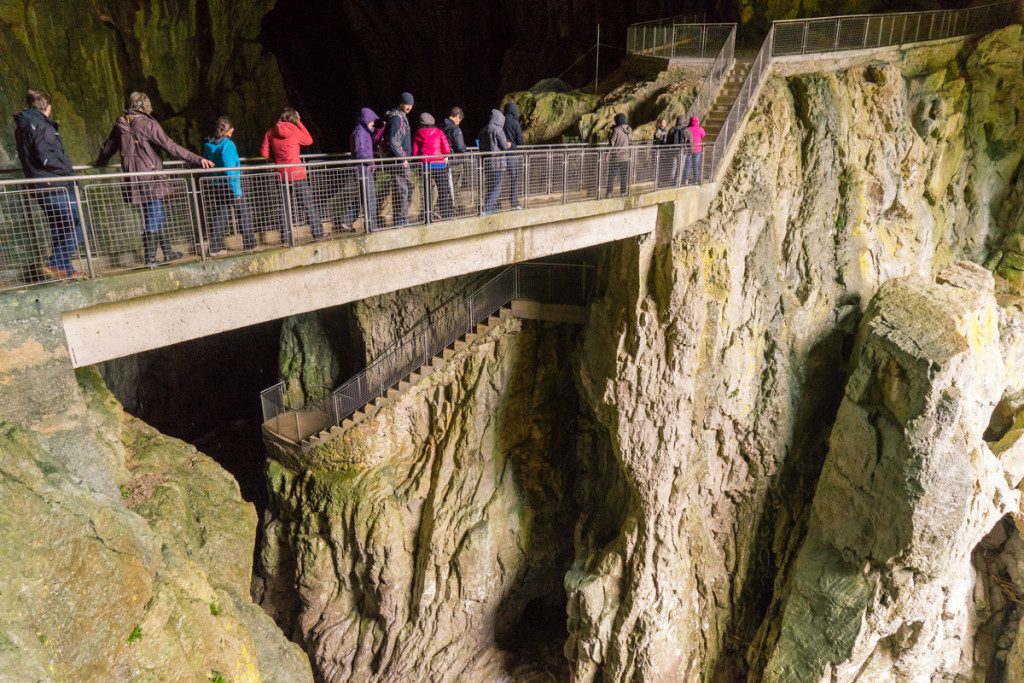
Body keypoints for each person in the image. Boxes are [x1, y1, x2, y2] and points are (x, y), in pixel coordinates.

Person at [96, 91, 214, 267]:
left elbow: (108, 149)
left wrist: (99, 163)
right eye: (149, 104)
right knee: (154, 214)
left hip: (133, 178)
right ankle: (150, 258)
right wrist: (198, 159)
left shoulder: (121, 124)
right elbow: (171, 146)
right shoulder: (148, 124)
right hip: (150, 176)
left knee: (156, 213)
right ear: (143, 106)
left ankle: (167, 252)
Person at [13, 89, 83, 279]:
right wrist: (68, 172)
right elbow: (46, 157)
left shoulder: (25, 124)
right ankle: (56, 264)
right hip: (55, 184)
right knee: (78, 224)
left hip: (42, 184)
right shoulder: (40, 125)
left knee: (60, 227)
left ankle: (64, 268)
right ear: (48, 107)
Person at [261, 107, 322, 245]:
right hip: (297, 173)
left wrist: (277, 160)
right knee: (307, 205)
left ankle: (286, 238)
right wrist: (299, 123)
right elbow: (309, 140)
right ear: (294, 119)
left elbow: (264, 153)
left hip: (281, 174)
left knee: (283, 207)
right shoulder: (295, 130)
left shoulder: (270, 132)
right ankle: (318, 233)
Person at [203, 116, 256, 254]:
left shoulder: (209, 144)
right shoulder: (228, 144)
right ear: (230, 130)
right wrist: (237, 192)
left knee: (222, 214)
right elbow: (231, 169)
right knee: (244, 212)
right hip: (229, 185)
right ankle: (250, 244)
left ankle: (214, 248)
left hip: (217, 184)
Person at [413, 112, 454, 221]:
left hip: (425, 166)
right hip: (439, 165)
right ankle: (445, 214)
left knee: (427, 191)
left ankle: (428, 215)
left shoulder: (418, 133)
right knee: (443, 190)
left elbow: (415, 152)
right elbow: (446, 150)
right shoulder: (439, 132)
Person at [346, 107, 379, 232]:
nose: (373, 124)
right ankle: (372, 226)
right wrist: (371, 162)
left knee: (362, 197)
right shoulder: (359, 132)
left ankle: (346, 220)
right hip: (362, 170)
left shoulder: (364, 131)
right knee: (370, 198)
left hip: (364, 169)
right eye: (372, 121)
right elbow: (360, 152)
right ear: (367, 120)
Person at [383, 92, 414, 226]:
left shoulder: (401, 117)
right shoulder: (397, 119)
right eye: (406, 104)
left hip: (401, 161)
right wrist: (403, 159)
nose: (409, 107)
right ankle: (402, 220)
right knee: (403, 190)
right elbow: (394, 140)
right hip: (399, 162)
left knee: (405, 189)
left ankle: (401, 219)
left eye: (411, 104)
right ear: (401, 103)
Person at [479, 109, 511, 215]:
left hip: (487, 163)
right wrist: (509, 144)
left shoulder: (483, 129)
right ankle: (487, 208)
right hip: (498, 163)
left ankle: (491, 207)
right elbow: (504, 146)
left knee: (490, 186)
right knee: (497, 187)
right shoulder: (497, 129)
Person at [502, 101, 525, 210]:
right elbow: (520, 141)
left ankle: (493, 202)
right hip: (511, 154)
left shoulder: (500, 120)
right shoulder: (515, 123)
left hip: (499, 154)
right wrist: (513, 143)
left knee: (498, 178)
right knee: (514, 177)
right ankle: (514, 202)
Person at [606, 113, 632, 198]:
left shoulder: (616, 130)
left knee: (612, 175)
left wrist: (607, 154)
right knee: (623, 176)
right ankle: (623, 193)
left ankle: (609, 192)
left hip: (616, 157)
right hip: (626, 157)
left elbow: (612, 143)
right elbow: (630, 142)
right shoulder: (629, 129)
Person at [666, 114, 692, 186]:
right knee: (680, 167)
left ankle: (671, 181)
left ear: (677, 120)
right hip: (683, 151)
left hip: (673, 151)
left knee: (673, 166)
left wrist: (669, 150)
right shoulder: (686, 130)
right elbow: (690, 142)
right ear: (683, 121)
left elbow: (668, 141)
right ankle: (677, 182)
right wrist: (690, 151)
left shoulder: (672, 129)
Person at [683, 116, 706, 185]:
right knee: (695, 165)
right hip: (697, 149)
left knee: (687, 165)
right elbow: (703, 135)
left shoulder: (687, 129)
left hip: (689, 149)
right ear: (698, 121)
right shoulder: (700, 129)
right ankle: (696, 180)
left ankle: (685, 180)